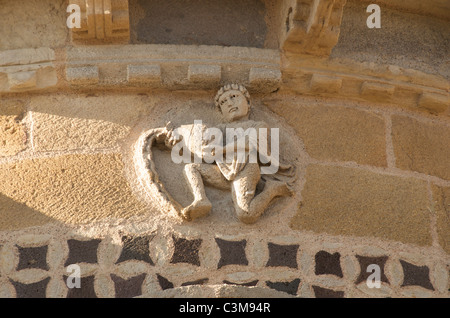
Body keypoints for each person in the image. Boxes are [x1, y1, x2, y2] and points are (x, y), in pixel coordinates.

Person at [167, 84, 293, 223]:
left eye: (234, 97)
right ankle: (201, 199)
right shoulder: (220, 129)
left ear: (248, 102)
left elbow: (248, 143)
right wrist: (179, 138)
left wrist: (222, 150)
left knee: (247, 215)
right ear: (221, 111)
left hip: (246, 168)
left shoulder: (258, 125)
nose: (229, 103)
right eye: (223, 102)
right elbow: (204, 144)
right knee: (191, 168)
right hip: (224, 171)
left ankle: (271, 190)